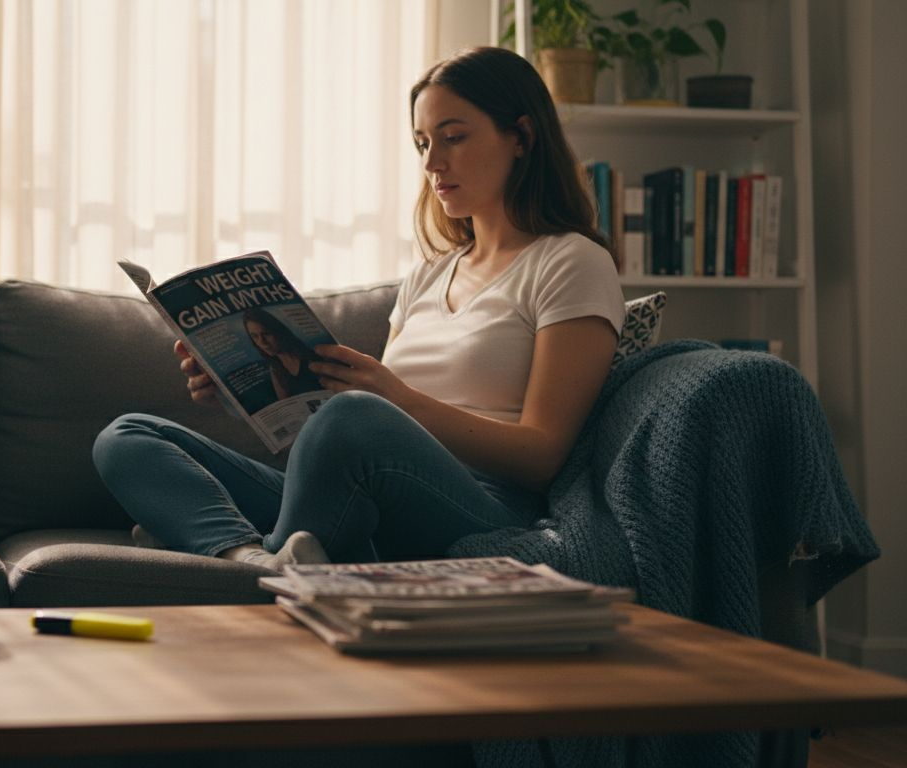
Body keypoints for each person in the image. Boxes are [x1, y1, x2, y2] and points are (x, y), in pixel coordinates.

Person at [92, 46, 625, 571]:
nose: (432, 163)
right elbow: (334, 441)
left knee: (357, 415)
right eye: (422, 143)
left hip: (481, 504)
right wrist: (243, 392)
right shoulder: (430, 273)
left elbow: (541, 457)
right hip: (367, 489)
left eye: (454, 138)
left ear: (522, 137)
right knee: (127, 436)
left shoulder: (572, 262)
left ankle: (225, 546)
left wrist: (398, 400)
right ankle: (254, 558)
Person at [243, 307, 322, 400]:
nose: (262, 342)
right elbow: (285, 403)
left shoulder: (309, 357)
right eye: (255, 336)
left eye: (266, 333)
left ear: (277, 332)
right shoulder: (275, 369)